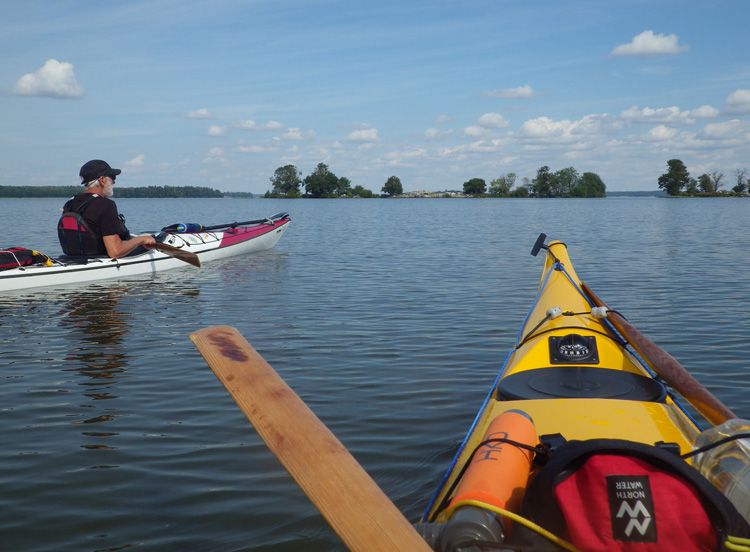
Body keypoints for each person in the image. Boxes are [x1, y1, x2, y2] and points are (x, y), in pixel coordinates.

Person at [58, 160, 156, 258]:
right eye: (112, 177)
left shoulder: (70, 203)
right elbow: (115, 252)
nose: (114, 181)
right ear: (102, 180)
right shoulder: (106, 205)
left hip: (74, 258)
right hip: (100, 259)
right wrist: (140, 240)